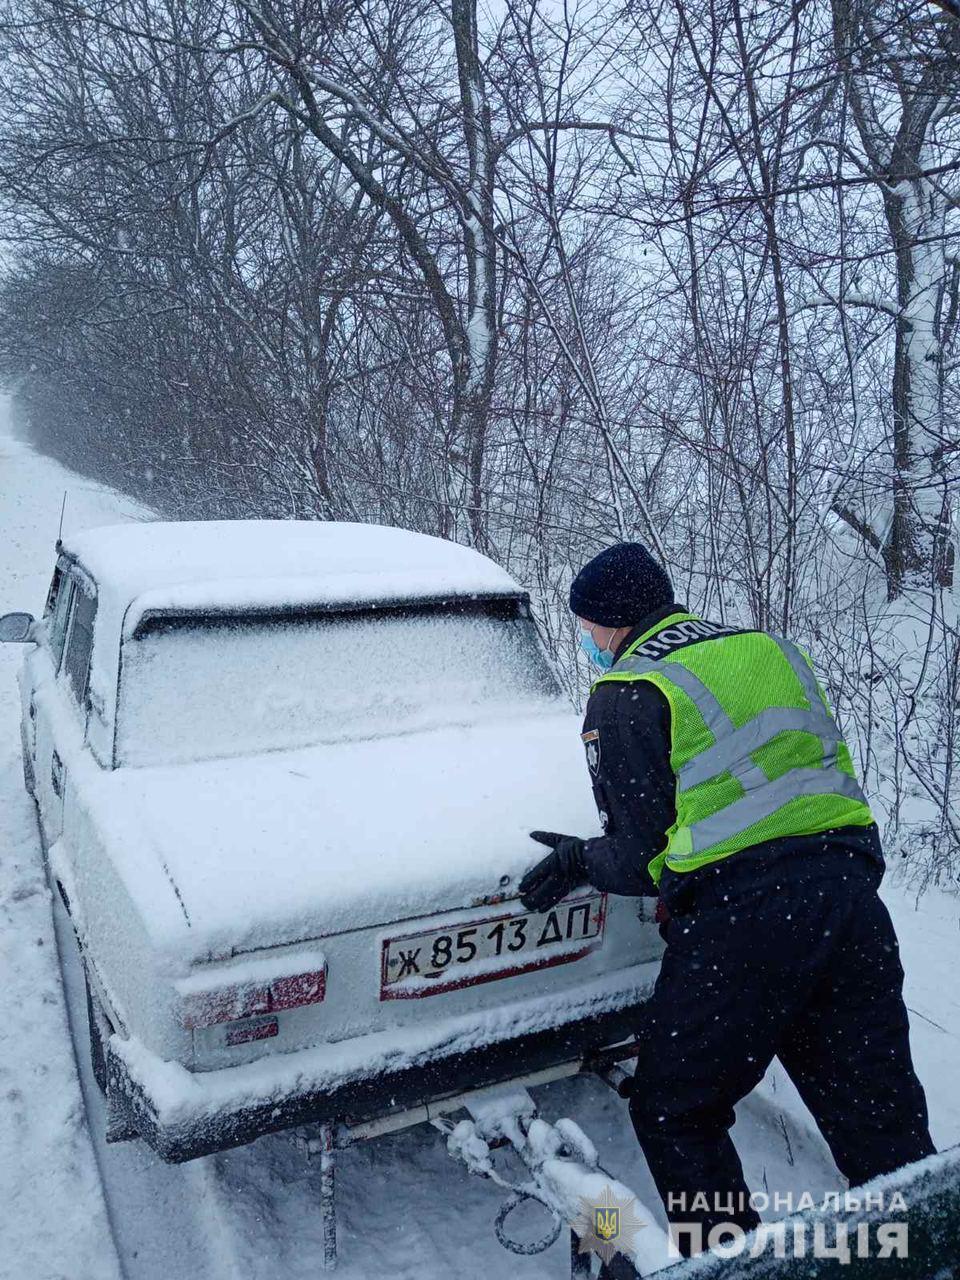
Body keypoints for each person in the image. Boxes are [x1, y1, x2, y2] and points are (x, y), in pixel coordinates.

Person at [518, 542, 934, 1254]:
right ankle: (926, 1247)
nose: (588, 642)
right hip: (850, 901)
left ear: (612, 622)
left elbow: (648, 855)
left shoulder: (627, 694)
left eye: (588, 628)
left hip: (746, 924)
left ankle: (726, 1260)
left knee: (675, 1109)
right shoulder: (770, 649)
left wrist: (578, 860)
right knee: (876, 1111)